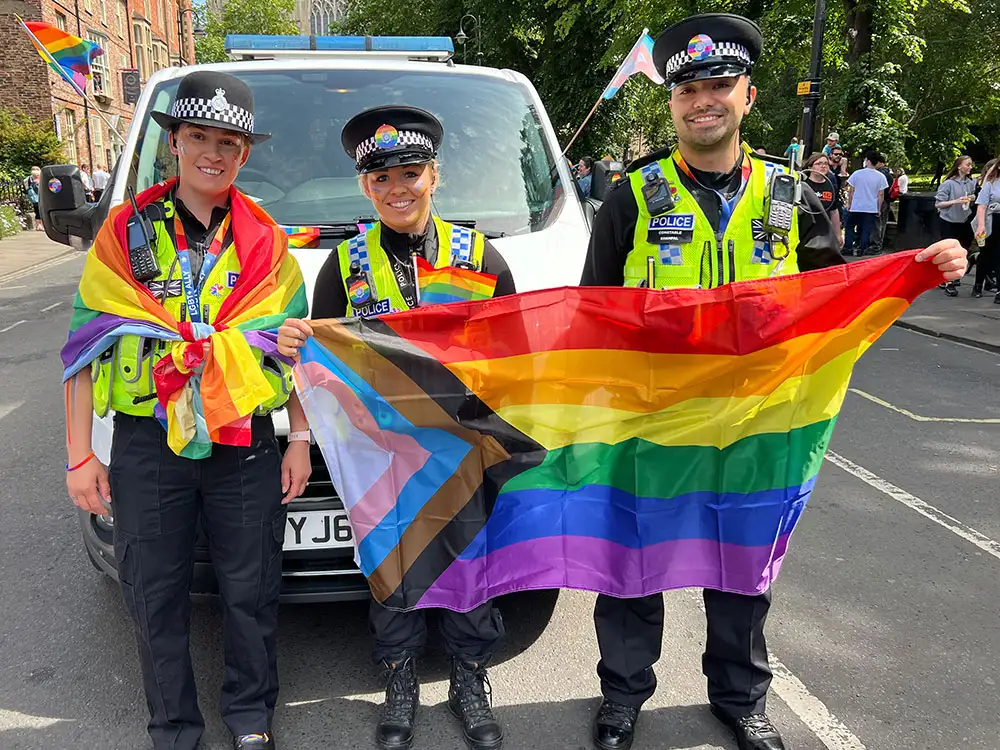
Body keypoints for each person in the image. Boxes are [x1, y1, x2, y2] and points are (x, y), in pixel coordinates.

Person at [580, 13, 966, 750]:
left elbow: (839, 302)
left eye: (719, 85)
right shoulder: (631, 198)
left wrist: (917, 268)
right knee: (632, 565)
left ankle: (739, 698)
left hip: (759, 426)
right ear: (671, 102)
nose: (704, 100)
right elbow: (593, 311)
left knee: (744, 566)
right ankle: (623, 697)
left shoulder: (795, 199)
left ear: (748, 96)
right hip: (653, 423)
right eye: (689, 87)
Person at [62, 71, 312, 750]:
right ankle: (173, 729)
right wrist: (80, 455)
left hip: (245, 441)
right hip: (148, 444)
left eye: (229, 140)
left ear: (245, 153)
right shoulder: (123, 235)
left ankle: (252, 718)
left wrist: (299, 440)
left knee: (251, 587)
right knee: (154, 592)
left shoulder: (271, 245)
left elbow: (291, 352)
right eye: (199, 135)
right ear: (173, 141)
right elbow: (85, 347)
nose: (213, 152)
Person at [277, 105, 515, 750]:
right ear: (365, 186)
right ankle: (401, 684)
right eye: (381, 178)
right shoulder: (341, 266)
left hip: (461, 448)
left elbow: (512, 352)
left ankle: (470, 682)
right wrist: (296, 347)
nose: (397, 187)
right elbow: (314, 365)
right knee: (391, 571)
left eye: (410, 172)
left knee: (470, 570)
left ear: (434, 175)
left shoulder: (479, 255)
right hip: (378, 453)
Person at [935, 156, 976, 297]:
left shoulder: (971, 183)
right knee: (950, 252)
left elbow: (974, 197)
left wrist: (972, 198)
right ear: (959, 166)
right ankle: (949, 283)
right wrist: (955, 201)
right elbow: (938, 204)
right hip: (949, 221)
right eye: (968, 164)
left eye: (971, 165)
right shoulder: (948, 184)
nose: (970, 167)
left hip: (965, 221)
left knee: (963, 250)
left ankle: (953, 277)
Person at [845, 151, 889, 256]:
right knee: (866, 229)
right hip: (870, 207)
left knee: (850, 226)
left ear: (868, 161)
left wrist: (849, 204)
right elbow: (881, 195)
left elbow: (851, 191)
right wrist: (878, 209)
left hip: (856, 206)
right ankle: (862, 248)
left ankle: (848, 247)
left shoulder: (857, 173)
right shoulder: (881, 177)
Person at [973, 157, 1000, 301]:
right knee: (986, 256)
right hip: (992, 221)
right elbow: (981, 206)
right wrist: (981, 225)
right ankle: (978, 284)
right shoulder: (991, 184)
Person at [802, 152, 843, 244]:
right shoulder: (803, 185)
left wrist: (838, 234)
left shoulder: (831, 186)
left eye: (825, 163)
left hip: (824, 232)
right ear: (810, 167)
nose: (823, 166)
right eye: (818, 164)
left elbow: (834, 211)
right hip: (804, 231)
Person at [870, 153, 893, 253]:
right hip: (886, 201)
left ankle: (875, 245)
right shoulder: (888, 174)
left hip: (879, 200)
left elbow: (881, 192)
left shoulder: (880, 174)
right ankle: (879, 243)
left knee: (877, 223)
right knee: (882, 222)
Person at [24, 166, 43, 231]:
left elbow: (26, 188)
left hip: (34, 197)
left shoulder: (28, 179)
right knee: (41, 211)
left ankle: (38, 225)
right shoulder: (42, 178)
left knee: (37, 211)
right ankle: (40, 225)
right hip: (40, 196)